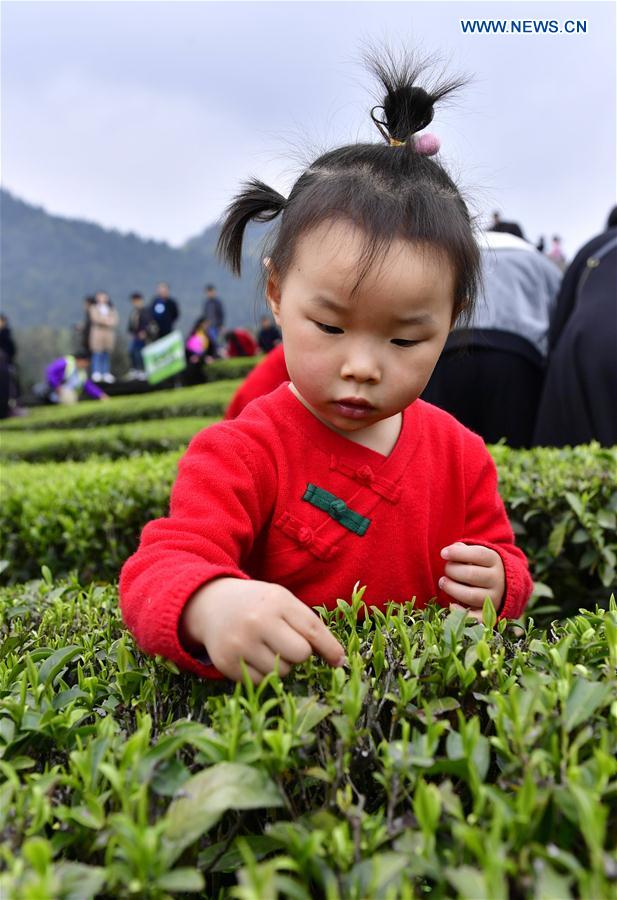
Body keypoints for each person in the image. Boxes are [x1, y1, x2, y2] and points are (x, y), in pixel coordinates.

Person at [119, 49, 534, 685]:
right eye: (332, 327)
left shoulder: (461, 456)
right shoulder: (243, 453)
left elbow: (503, 556)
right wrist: (209, 602)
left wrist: (502, 582)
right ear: (279, 295)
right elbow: (163, 563)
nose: (363, 366)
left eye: (405, 340)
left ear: (452, 320)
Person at [421, 227, 561, 448]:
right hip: (517, 361)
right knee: (515, 448)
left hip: (450, 355)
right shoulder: (539, 263)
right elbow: (559, 318)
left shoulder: (455, 256)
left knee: (445, 449)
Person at [533, 209, 617, 447]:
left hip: (589, 343)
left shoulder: (594, 247)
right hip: (595, 341)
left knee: (585, 447)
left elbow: (562, 313)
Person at [43, 353, 109, 404]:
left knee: (72, 397)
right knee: (69, 397)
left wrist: (100, 394)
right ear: (80, 360)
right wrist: (56, 386)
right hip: (55, 391)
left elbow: (88, 386)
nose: (86, 365)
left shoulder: (81, 372)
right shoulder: (65, 362)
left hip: (70, 393)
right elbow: (51, 371)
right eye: (86, 362)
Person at [88, 291, 119, 383]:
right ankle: (96, 372)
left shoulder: (111, 308)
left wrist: (107, 321)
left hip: (108, 335)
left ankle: (105, 372)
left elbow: (115, 320)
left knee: (106, 354)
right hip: (97, 334)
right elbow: (95, 319)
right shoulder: (94, 308)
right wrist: (106, 321)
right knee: (97, 353)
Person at [126, 292, 154, 380]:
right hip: (135, 336)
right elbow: (131, 325)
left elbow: (149, 324)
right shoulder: (134, 312)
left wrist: (145, 332)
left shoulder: (145, 311)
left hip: (143, 337)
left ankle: (142, 371)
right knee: (132, 353)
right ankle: (135, 370)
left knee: (140, 354)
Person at [184, 317, 213, 385]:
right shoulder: (194, 335)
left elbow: (211, 350)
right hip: (195, 361)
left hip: (204, 359)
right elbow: (188, 350)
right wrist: (192, 357)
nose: (206, 326)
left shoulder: (207, 336)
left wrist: (210, 357)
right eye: (205, 324)